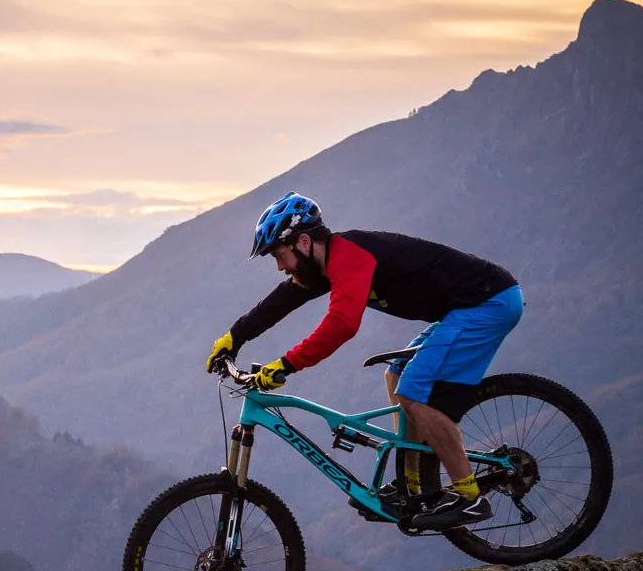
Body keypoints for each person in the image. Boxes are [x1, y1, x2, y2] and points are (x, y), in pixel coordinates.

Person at [206, 192, 524, 530]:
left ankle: (468, 496)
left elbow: (342, 324)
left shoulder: (347, 256)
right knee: (397, 376)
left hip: (487, 303)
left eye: (280, 255)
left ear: (302, 242)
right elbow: (281, 301)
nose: (280, 266)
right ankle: (412, 486)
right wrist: (233, 337)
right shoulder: (323, 264)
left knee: (414, 392)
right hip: (466, 308)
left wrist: (286, 364)